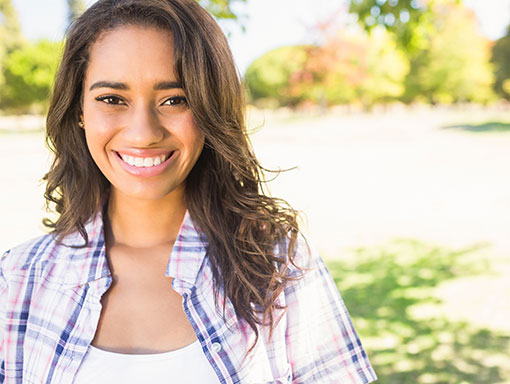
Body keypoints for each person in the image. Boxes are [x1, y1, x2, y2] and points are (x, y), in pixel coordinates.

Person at [0, 0, 377, 382]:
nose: (143, 133)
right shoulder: (17, 279)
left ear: (211, 109)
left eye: (175, 100)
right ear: (79, 110)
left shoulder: (279, 268)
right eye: (112, 99)